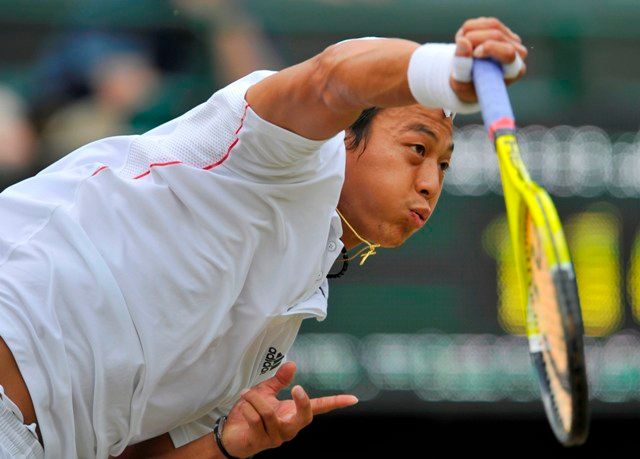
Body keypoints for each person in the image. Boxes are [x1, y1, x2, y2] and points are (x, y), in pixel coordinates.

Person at [0, 17, 527, 459]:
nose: (431, 182)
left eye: (444, 165)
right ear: (344, 134)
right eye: (417, 148)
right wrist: (443, 71)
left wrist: (225, 446)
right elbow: (333, 76)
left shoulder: (273, 332)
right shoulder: (279, 153)